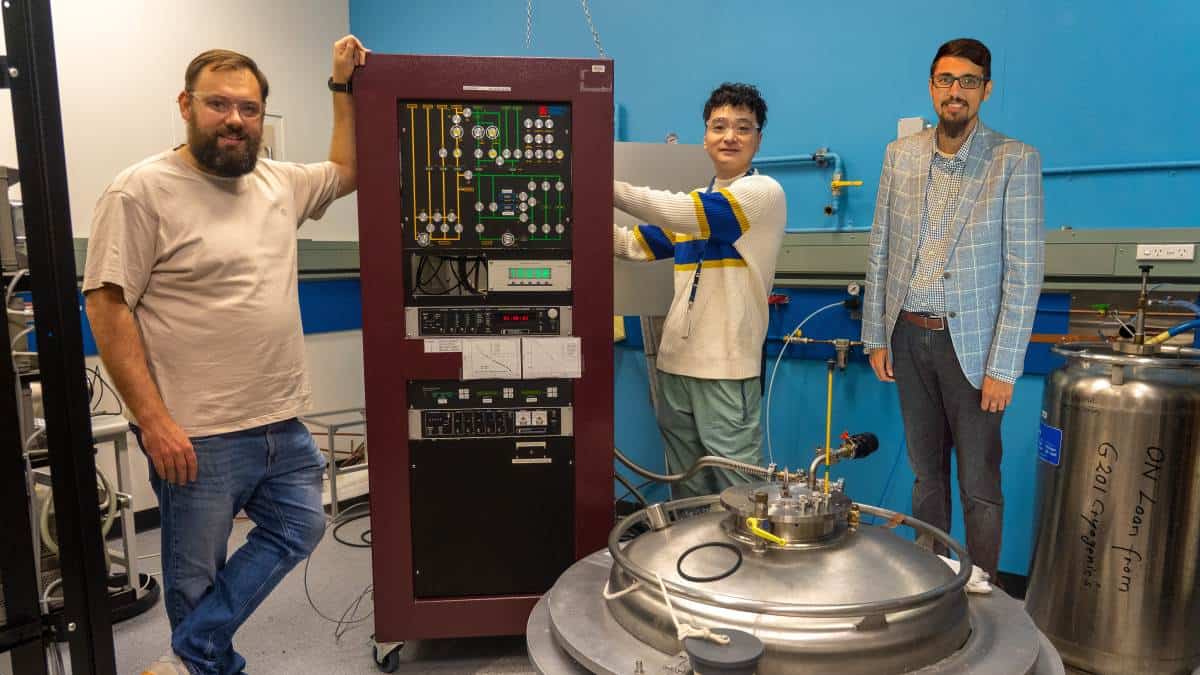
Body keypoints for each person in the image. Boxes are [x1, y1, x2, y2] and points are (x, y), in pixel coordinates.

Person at [83, 36, 368, 675]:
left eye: (249, 108)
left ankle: (190, 658)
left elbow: (350, 171)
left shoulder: (279, 182)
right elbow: (106, 307)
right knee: (192, 578)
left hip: (280, 421)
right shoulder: (141, 191)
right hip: (196, 431)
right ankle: (206, 662)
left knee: (301, 526)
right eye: (218, 104)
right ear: (186, 104)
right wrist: (154, 421)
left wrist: (341, 87)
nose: (235, 120)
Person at [862, 38, 1044, 581]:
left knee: (980, 484)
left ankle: (985, 590)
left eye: (968, 81)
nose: (955, 91)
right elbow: (880, 248)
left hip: (974, 350)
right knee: (926, 477)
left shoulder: (1015, 160)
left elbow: (1024, 272)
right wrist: (876, 334)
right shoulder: (902, 155)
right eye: (946, 80)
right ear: (931, 87)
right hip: (907, 337)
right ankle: (931, 582)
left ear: (986, 90)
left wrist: (1003, 368)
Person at [613, 82, 786, 498]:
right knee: (686, 493)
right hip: (675, 368)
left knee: (740, 495)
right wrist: (563, 208)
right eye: (719, 126)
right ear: (705, 137)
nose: (730, 137)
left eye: (743, 128)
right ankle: (691, 564)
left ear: (758, 139)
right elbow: (632, 245)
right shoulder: (697, 204)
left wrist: (604, 184)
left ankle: (747, 565)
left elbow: (693, 215)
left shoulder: (762, 194)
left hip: (725, 371)